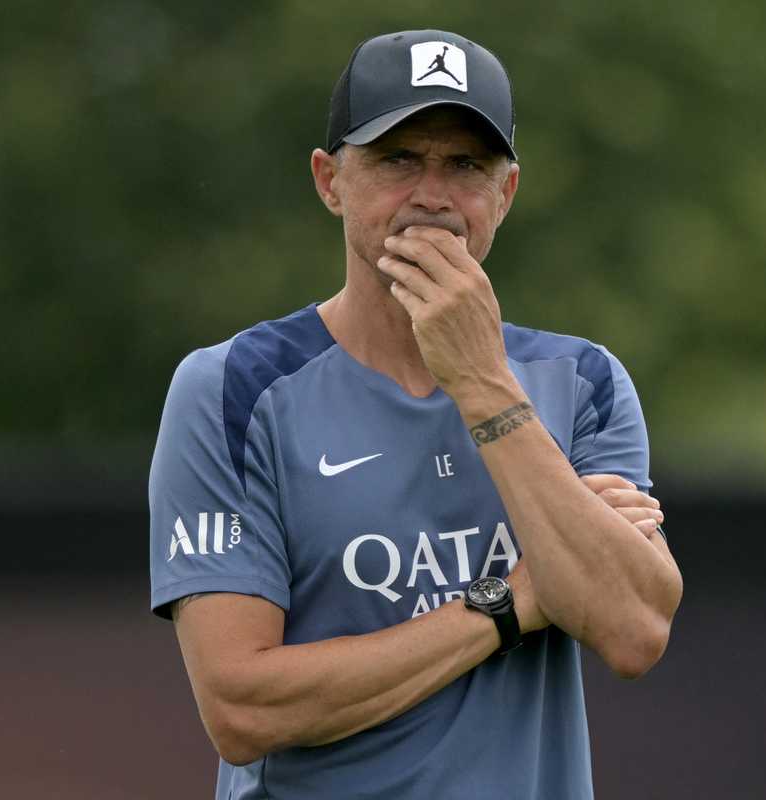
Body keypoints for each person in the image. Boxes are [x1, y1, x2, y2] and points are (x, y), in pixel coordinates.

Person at [148, 29, 682, 800]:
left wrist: (482, 383)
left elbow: (633, 631)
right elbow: (241, 704)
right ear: (331, 181)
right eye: (399, 159)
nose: (433, 194)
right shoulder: (233, 387)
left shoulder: (581, 380)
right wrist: (514, 601)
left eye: (466, 165)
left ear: (505, 194)